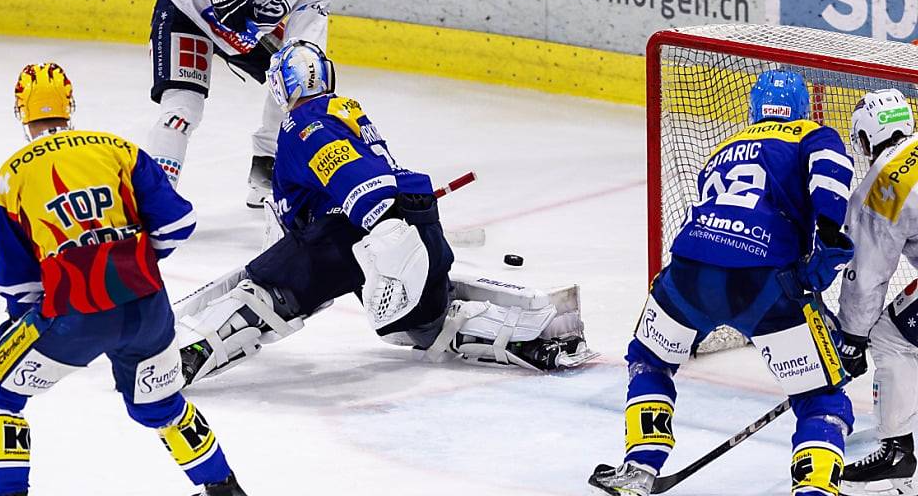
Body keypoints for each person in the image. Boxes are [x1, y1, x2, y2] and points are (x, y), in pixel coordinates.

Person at [172, 41, 596, 386]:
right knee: (430, 327)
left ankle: (185, 358)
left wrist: (387, 238)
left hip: (355, 236)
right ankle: (533, 339)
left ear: (283, 86)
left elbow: (354, 180)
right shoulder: (347, 111)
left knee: (264, 295)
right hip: (415, 223)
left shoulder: (304, 124)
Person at [0, 63, 246, 496]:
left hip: (74, 317)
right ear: (71, 107)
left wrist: (18, 325)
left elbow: (18, 285)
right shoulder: (117, 148)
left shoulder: (12, 176)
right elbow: (179, 222)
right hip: (148, 308)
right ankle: (222, 489)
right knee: (160, 407)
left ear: (20, 112)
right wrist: (125, 261)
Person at [589, 69, 857, 496]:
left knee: (649, 360)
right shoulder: (813, 133)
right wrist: (828, 238)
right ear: (802, 109)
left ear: (754, 110)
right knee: (821, 398)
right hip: (766, 285)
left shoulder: (724, 148)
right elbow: (831, 173)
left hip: (688, 273)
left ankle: (638, 467)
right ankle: (815, 490)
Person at [147, 0, 341, 208]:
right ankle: (156, 201)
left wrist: (303, 64)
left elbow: (305, 33)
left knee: (298, 77)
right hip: (188, 11)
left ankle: (266, 170)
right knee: (183, 110)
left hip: (244, 29)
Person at [836, 88, 918, 495]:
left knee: (890, 337)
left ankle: (897, 455)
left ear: (866, 138)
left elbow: (867, 275)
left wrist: (852, 339)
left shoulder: (883, 181)